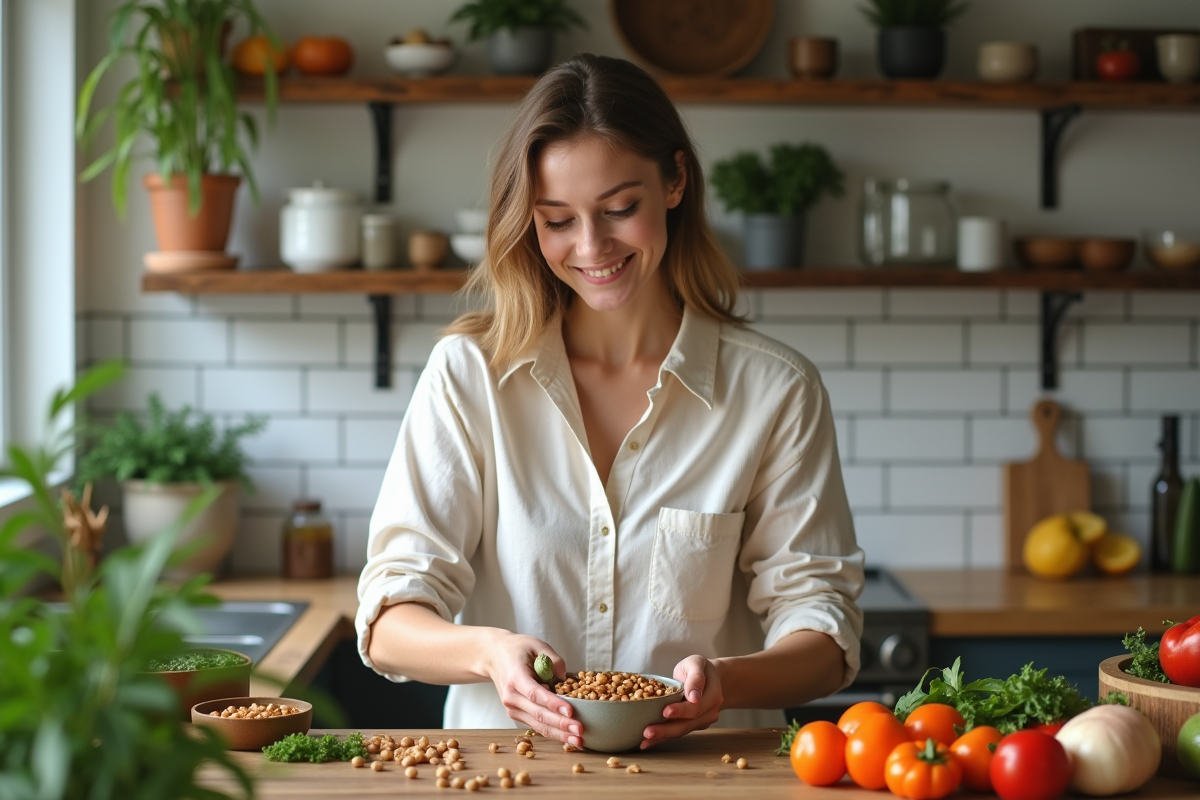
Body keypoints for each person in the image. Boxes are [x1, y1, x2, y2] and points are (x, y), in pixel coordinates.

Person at [357, 53, 863, 750]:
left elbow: (825, 629)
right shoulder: (470, 375)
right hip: (511, 775)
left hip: (711, 781)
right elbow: (387, 620)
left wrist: (728, 682)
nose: (591, 247)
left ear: (676, 181)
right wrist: (489, 655)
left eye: (620, 209)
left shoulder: (776, 392)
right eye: (557, 220)